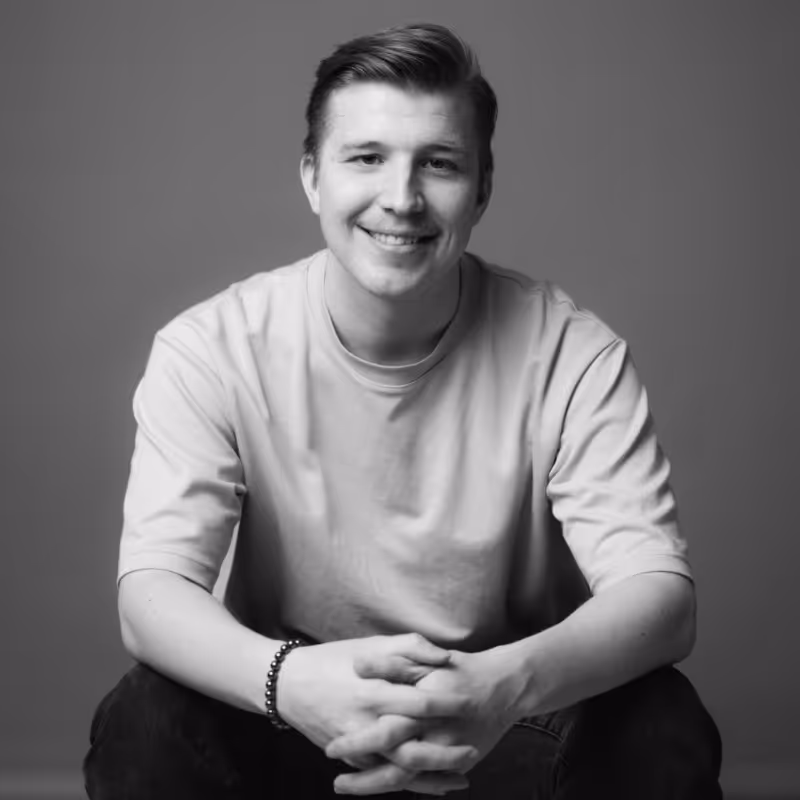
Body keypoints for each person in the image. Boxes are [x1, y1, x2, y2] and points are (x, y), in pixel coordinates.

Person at [83, 22, 722, 799]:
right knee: (144, 719)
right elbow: (150, 597)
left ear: (481, 188)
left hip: (499, 726)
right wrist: (291, 680)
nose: (401, 198)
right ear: (313, 178)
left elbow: (661, 598)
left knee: (658, 721)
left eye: (439, 163)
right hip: (293, 715)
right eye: (366, 158)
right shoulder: (209, 349)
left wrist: (501, 686)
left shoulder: (573, 355)